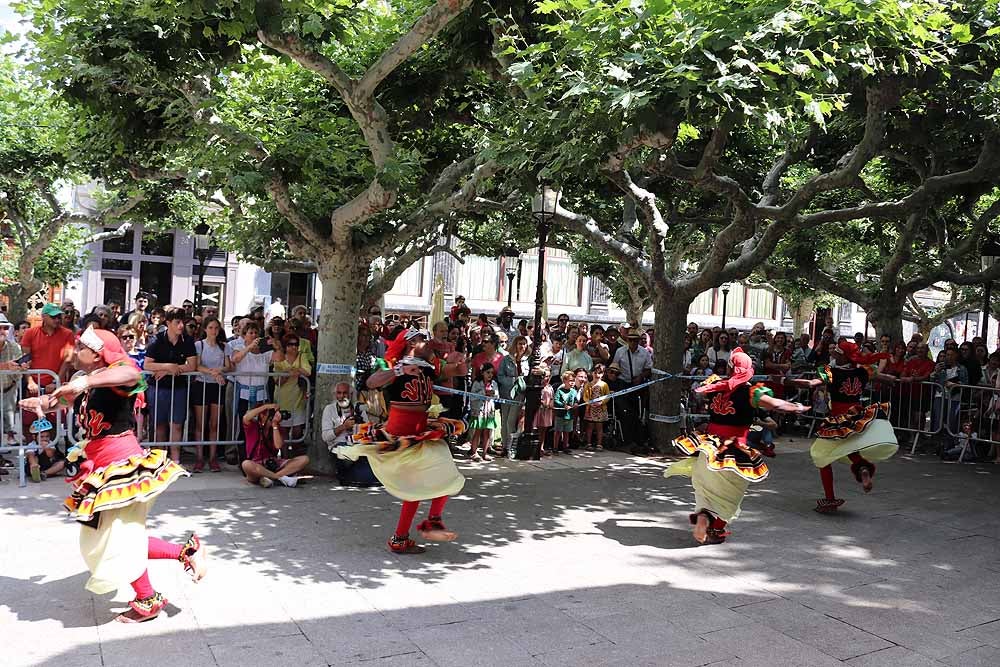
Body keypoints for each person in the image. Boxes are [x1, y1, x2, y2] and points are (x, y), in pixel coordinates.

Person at [18, 326, 203, 623]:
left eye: (81, 348)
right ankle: (183, 554)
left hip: (121, 463)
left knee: (114, 536)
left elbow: (133, 374)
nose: (75, 352)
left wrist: (84, 383)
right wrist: (41, 403)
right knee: (106, 535)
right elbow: (60, 401)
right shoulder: (84, 380)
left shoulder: (117, 374)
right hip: (99, 463)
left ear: (96, 354)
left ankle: (149, 597)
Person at [339, 328, 467, 554]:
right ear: (411, 343)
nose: (429, 342)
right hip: (399, 437)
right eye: (424, 339)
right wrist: (398, 370)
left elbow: (455, 371)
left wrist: (461, 365)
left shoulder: (430, 366)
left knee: (442, 475)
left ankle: (415, 531)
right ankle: (412, 532)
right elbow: (370, 382)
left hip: (420, 434)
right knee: (420, 484)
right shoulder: (395, 365)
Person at [665, 348, 808, 543]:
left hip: (709, 446)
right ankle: (715, 529)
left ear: (731, 368)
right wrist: (797, 407)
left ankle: (703, 517)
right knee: (732, 496)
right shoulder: (751, 392)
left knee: (705, 489)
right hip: (734, 451)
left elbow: (699, 394)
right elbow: (775, 405)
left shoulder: (716, 384)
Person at [789, 341, 899, 513]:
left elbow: (811, 384)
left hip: (838, 419)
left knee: (821, 456)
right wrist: (892, 380)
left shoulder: (831, 372)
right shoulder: (863, 371)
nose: (833, 355)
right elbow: (887, 379)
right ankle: (863, 469)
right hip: (857, 417)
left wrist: (785, 380)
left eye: (837, 353)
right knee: (850, 449)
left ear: (842, 356)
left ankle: (830, 499)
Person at [20, 303, 75, 478]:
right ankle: (32, 460)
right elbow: (25, 361)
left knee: (54, 421)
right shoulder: (30, 333)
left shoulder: (67, 334)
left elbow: (67, 360)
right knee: (29, 422)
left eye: (59, 316)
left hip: (55, 388)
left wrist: (55, 380)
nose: (58, 319)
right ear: (43, 317)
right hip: (34, 386)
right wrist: (29, 380)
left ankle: (49, 458)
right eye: (54, 316)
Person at [143, 306, 198, 463]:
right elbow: (147, 365)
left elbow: (192, 365)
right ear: (168, 323)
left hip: (179, 387)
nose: (181, 326)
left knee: (177, 424)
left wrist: (170, 369)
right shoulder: (157, 340)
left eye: (183, 322)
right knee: (159, 424)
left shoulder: (187, 340)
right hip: (159, 388)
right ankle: (160, 461)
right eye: (177, 322)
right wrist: (167, 367)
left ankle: (175, 461)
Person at [192, 317, 230, 472]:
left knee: (214, 424)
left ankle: (213, 458)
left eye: (216, 328)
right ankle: (200, 458)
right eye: (211, 327)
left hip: (217, 386)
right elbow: (197, 365)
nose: (214, 331)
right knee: (201, 423)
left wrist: (219, 371)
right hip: (202, 385)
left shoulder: (224, 346)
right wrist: (213, 373)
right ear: (205, 329)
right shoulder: (199, 345)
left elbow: (228, 366)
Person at [240, 402, 309, 487]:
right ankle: (281, 478)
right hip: (256, 465)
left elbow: (278, 446)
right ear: (262, 416)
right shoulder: (253, 426)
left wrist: (275, 425)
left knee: (304, 459)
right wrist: (266, 407)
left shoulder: (277, 428)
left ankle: (270, 477)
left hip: (273, 463)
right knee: (246, 464)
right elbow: (246, 417)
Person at [272, 334, 311, 442]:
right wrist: (289, 373)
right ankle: (285, 457)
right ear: (285, 346)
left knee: (297, 431)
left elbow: (308, 371)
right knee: (283, 431)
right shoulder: (279, 357)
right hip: (282, 398)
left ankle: (295, 453)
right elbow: (277, 381)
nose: (294, 347)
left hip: (298, 399)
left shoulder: (301, 356)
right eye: (291, 344)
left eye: (296, 344)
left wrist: (294, 371)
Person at [497, 335, 530, 456]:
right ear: (515, 344)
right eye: (520, 343)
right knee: (504, 420)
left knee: (511, 421)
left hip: (519, 394)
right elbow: (500, 376)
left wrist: (520, 382)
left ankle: (511, 448)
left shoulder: (527, 360)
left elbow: (528, 377)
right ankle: (505, 446)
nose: (522, 346)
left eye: (524, 344)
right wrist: (512, 381)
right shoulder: (506, 359)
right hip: (506, 393)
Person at [468, 363, 499, 462]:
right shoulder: (477, 383)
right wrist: (483, 392)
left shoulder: (494, 384)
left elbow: (497, 396)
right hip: (479, 411)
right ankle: (474, 452)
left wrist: (493, 394)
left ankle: (485, 453)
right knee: (478, 431)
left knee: (487, 432)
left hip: (489, 411)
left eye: (492, 373)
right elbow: (472, 397)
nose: (490, 375)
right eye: (488, 372)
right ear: (482, 373)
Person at [582, 364, 610, 450]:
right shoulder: (588, 385)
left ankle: (599, 444)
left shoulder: (604, 385)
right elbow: (585, 396)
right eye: (595, 372)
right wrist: (589, 403)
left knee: (599, 426)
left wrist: (601, 402)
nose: (597, 375)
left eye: (599, 373)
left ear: (602, 374)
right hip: (590, 409)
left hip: (600, 409)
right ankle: (589, 443)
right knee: (590, 426)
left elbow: (607, 396)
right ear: (592, 373)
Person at [553, 371, 578, 454]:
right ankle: (555, 447)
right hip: (560, 415)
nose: (572, 383)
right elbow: (556, 400)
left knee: (567, 432)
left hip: (569, 415)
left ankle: (565, 446)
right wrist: (563, 405)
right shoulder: (560, 391)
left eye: (573, 381)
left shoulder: (574, 391)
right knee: (558, 431)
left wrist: (575, 404)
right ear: (564, 381)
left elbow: (576, 400)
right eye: (570, 381)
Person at [534, 366, 555, 456]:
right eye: (545, 376)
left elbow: (552, 398)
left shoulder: (550, 387)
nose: (546, 379)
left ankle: (541, 447)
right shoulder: (539, 387)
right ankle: (536, 448)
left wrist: (551, 403)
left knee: (544, 430)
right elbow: (537, 398)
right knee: (537, 429)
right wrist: (542, 403)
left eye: (548, 376)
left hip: (547, 411)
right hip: (539, 411)